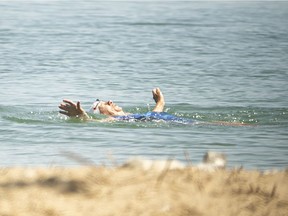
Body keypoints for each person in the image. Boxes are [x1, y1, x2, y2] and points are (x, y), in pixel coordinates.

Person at [58, 88, 247, 126]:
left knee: (212, 123)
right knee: (215, 125)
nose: (110, 101)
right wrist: (81, 115)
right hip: (176, 124)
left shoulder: (133, 114)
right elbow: (92, 122)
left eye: (108, 100)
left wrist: (160, 103)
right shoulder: (113, 120)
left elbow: (154, 114)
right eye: (102, 104)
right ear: (102, 112)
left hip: (171, 120)